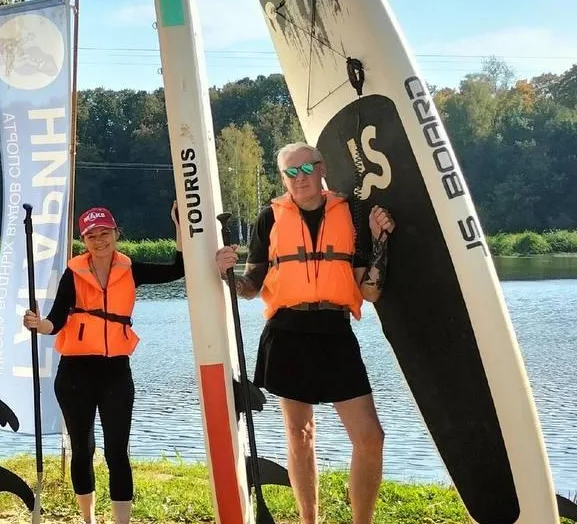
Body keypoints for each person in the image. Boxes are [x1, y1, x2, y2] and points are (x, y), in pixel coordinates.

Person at [213, 142, 394, 524]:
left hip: (335, 331)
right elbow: (252, 285)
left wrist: (381, 242)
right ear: (283, 178)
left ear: (321, 167)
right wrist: (228, 276)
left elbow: (370, 291)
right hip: (287, 332)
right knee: (300, 434)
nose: (300, 178)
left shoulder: (351, 213)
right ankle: (307, 520)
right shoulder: (270, 219)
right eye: (290, 172)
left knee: (370, 438)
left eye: (306, 168)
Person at [22, 203, 186, 524]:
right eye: (91, 235)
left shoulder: (131, 269)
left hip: (115, 373)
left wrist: (179, 226)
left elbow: (177, 269)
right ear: (84, 240)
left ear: (116, 234)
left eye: (105, 233)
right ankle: (89, 520)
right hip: (75, 374)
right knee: (82, 450)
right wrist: (38, 324)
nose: (99, 241)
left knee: (116, 453)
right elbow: (55, 321)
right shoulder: (74, 273)